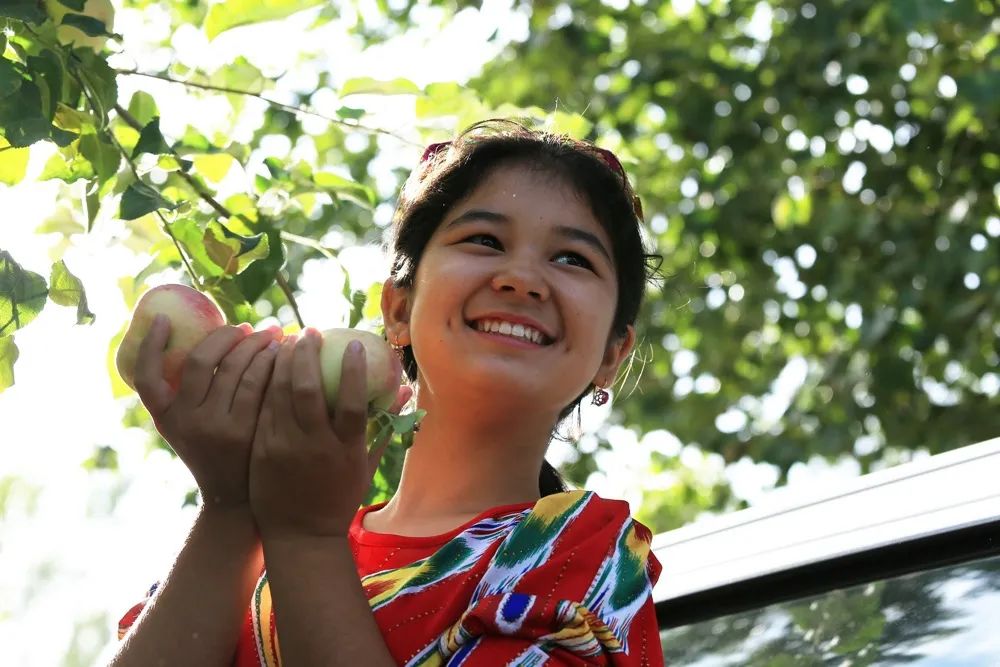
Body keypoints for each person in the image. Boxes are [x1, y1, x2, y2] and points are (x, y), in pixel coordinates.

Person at [112, 118, 665, 666]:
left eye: (573, 258)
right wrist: (232, 508)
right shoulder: (255, 550)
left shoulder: (589, 559)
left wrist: (305, 537)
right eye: (485, 240)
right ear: (398, 309)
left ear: (613, 354)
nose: (521, 278)